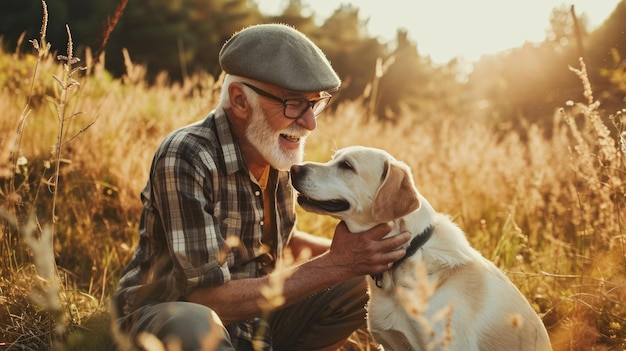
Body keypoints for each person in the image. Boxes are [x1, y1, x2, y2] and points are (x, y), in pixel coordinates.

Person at [111, 23, 411, 351]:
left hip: (253, 321)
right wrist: (338, 262)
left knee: (357, 282)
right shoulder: (186, 155)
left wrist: (370, 254)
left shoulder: (274, 150)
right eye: (294, 104)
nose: (311, 123)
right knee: (195, 322)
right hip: (170, 320)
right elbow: (208, 299)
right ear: (240, 100)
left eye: (315, 104)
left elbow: (279, 240)